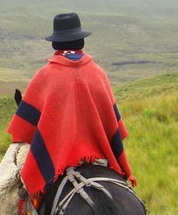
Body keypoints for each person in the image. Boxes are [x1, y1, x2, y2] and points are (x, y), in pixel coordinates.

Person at [9, 12, 137, 204]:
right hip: (101, 158)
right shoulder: (98, 73)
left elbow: (24, 130)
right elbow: (114, 125)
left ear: (55, 45)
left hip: (57, 160)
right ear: (81, 42)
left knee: (10, 184)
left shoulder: (45, 76)